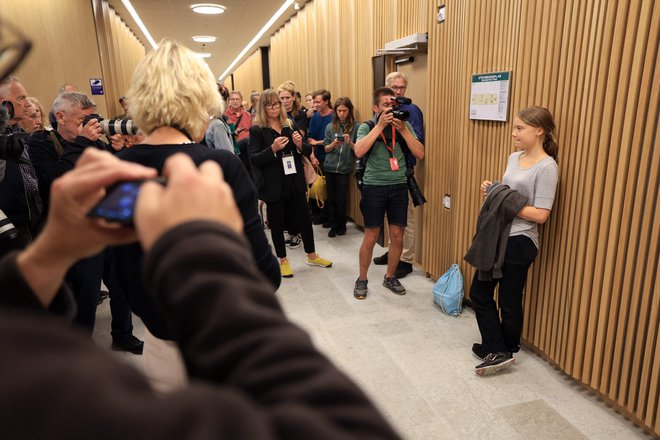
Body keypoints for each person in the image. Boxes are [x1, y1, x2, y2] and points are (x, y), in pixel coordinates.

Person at [0, 148, 401, 440]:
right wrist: (200, 245)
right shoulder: (49, 396)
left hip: (158, 341)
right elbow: (337, 424)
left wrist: (49, 253)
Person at [113, 39, 280, 389]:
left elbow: (120, 271)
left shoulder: (121, 169)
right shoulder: (219, 166)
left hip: (161, 347)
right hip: (224, 345)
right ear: (202, 100)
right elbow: (265, 273)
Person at [27, 92, 141, 352]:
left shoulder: (94, 143)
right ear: (61, 117)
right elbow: (53, 180)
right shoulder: (41, 143)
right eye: (82, 118)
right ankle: (80, 352)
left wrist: (116, 150)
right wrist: (79, 144)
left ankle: (123, 335)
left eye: (91, 117)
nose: (90, 123)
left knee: (122, 286)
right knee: (86, 296)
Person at [466, 106, 559, 375]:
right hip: (497, 236)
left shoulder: (548, 167)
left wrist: (500, 196)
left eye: (520, 128)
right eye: (515, 127)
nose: (514, 132)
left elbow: (541, 215)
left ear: (539, 130)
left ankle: (504, 348)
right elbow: (508, 194)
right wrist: (494, 192)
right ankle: (498, 346)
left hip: (520, 241)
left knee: (508, 299)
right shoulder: (513, 157)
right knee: (480, 293)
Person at [248, 89, 332, 278]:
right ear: (263, 107)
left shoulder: (289, 124)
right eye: (269, 105)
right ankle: (283, 261)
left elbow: (306, 150)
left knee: (304, 218)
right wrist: (273, 149)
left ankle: (312, 255)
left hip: (294, 180)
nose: (274, 108)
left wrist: (301, 145)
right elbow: (254, 159)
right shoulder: (257, 130)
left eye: (277, 104)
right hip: (273, 184)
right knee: (277, 223)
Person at [352, 87, 424, 300]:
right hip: (374, 187)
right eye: (385, 105)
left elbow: (419, 152)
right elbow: (358, 150)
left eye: (393, 105)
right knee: (371, 236)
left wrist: (402, 130)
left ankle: (390, 276)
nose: (390, 109)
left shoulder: (404, 125)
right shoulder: (367, 126)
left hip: (399, 186)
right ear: (375, 108)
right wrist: (380, 126)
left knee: (397, 236)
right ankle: (362, 279)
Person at [373, 72, 425, 278]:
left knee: (406, 219)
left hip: (403, 171)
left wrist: (401, 129)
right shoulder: (383, 110)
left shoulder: (411, 111)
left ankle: (406, 259)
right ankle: (392, 250)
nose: (398, 91)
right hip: (383, 172)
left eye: (402, 87)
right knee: (389, 217)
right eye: (394, 87)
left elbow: (418, 140)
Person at [323, 97, 359, 237]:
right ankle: (333, 225)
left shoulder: (356, 127)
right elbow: (325, 148)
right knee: (331, 198)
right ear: (335, 111)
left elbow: (358, 150)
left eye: (345, 110)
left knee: (341, 199)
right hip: (330, 167)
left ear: (349, 111)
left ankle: (341, 225)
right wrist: (332, 145)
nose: (342, 113)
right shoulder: (330, 127)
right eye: (339, 111)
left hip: (345, 168)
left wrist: (349, 143)